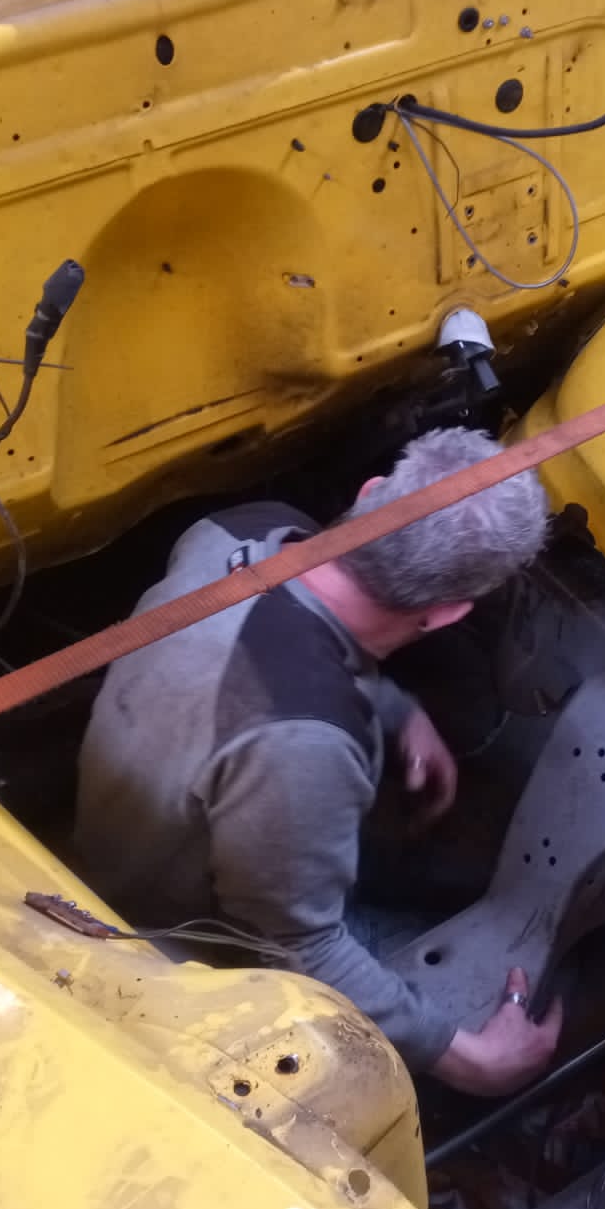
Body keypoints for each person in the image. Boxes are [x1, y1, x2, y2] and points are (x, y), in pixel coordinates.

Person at [74, 428, 564, 1096]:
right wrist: (471, 1059)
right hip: (176, 934)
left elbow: (267, 638)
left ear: (372, 493)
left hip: (149, 813)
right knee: (514, 940)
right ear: (449, 614)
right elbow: (300, 947)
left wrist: (397, 711)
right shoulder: (304, 743)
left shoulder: (241, 529)